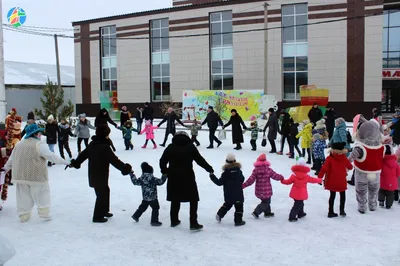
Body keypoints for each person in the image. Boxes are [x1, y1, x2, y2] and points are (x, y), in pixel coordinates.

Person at [3, 124, 70, 222]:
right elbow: (52, 157)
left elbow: (11, 160)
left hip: (20, 176)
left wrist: (5, 169)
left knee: (23, 196)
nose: (40, 134)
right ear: (36, 134)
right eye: (39, 132)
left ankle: (24, 215)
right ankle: (44, 213)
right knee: (42, 193)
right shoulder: (39, 145)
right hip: (36, 175)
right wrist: (66, 162)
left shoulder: (18, 144)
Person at [69, 125, 132, 223]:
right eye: (108, 134)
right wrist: (125, 168)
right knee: (101, 194)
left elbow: (82, 155)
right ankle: (97, 217)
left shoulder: (93, 144)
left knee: (105, 191)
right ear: (105, 134)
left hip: (94, 174)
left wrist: (76, 163)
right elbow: (114, 161)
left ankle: (104, 210)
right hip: (100, 174)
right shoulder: (104, 147)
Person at [159, 131, 213, 231]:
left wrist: (165, 171)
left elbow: (162, 161)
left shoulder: (171, 147)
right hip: (188, 176)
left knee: (175, 198)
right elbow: (199, 160)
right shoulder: (190, 147)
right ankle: (193, 222)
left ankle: (174, 220)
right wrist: (209, 168)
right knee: (193, 199)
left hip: (173, 176)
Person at [348, 119, 385, 214]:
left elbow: (350, 158)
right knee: (374, 190)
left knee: (361, 191)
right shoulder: (381, 147)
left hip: (362, 172)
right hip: (376, 173)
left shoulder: (360, 147)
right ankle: (372, 205)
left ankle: (362, 206)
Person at [242, 153, 284, 218]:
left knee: (265, 201)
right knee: (266, 202)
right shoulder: (269, 170)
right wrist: (281, 177)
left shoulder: (255, 171)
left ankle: (267, 213)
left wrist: (244, 185)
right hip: (267, 190)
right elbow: (275, 176)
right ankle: (256, 212)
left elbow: (251, 180)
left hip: (259, 190)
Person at [281, 157, 322, 222]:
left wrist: (282, 180)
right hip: (302, 193)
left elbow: (287, 182)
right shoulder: (306, 176)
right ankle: (292, 217)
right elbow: (313, 180)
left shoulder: (293, 175)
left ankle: (301, 213)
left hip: (294, 193)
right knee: (297, 205)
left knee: (300, 203)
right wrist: (320, 180)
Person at [318, 142, 353, 218]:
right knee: (342, 195)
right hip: (341, 180)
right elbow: (350, 167)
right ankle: (342, 210)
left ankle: (330, 212)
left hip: (331, 180)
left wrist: (319, 177)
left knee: (332, 196)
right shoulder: (343, 158)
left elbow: (324, 168)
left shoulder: (329, 158)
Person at [210, 154, 246, 226]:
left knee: (227, 205)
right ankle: (238, 221)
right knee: (239, 207)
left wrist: (212, 177)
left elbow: (219, 183)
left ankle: (220, 214)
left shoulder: (225, 173)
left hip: (228, 194)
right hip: (238, 193)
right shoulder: (239, 171)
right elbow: (242, 179)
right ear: (235, 161)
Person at [130, 162, 167, 226]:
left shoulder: (142, 179)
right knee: (155, 208)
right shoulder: (152, 179)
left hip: (145, 197)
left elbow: (135, 182)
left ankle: (136, 216)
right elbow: (160, 182)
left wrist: (132, 175)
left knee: (142, 207)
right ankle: (154, 221)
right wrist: (164, 175)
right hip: (153, 198)